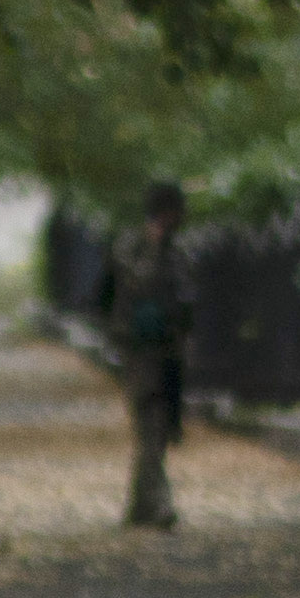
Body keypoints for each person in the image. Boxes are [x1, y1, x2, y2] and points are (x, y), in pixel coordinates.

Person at [104, 181, 192, 530]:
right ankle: (159, 504)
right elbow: (134, 285)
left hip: (169, 350)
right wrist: (154, 250)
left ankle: (140, 506)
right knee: (151, 421)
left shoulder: (177, 249)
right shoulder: (134, 246)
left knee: (159, 426)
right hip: (140, 347)